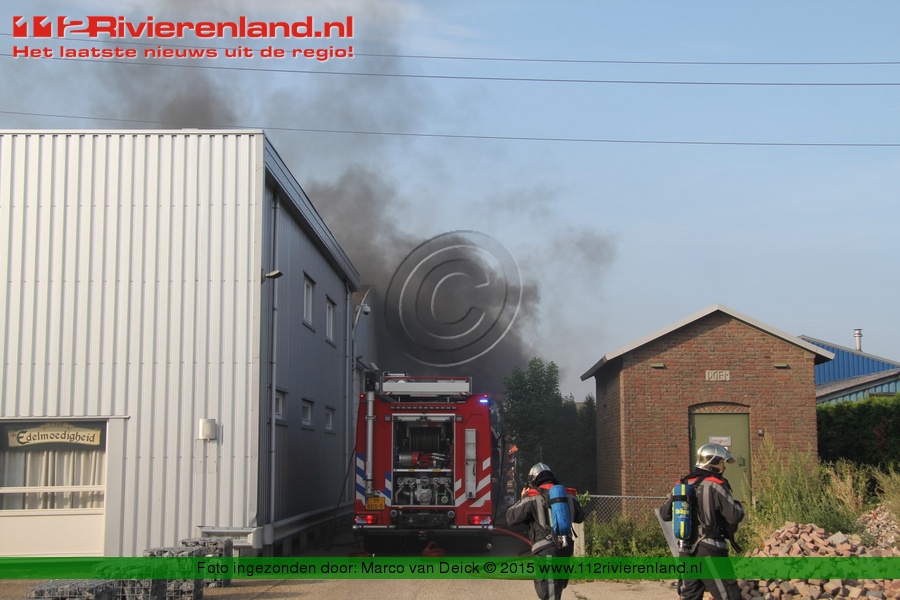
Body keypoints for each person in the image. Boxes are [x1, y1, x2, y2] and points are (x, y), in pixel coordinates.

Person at [661, 443, 745, 600]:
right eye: (722, 463)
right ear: (713, 463)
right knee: (729, 595)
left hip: (685, 550)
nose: (724, 468)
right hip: (710, 549)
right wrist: (740, 506)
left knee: (689, 596)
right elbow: (734, 515)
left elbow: (664, 514)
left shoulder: (682, 484)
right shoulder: (715, 485)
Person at [506, 462, 585, 600]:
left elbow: (511, 517)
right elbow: (580, 517)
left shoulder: (532, 497)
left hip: (545, 550)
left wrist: (522, 498)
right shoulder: (568, 495)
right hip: (565, 549)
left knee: (549, 593)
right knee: (556, 590)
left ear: (533, 480)